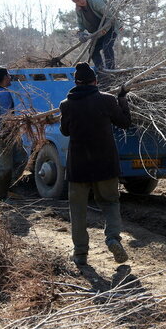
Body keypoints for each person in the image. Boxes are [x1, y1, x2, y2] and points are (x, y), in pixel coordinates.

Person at [59, 62, 131, 266]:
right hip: (105, 164)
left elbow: (65, 131)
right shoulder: (107, 100)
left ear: (76, 82)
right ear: (95, 81)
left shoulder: (66, 104)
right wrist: (122, 98)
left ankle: (80, 253)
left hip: (78, 166)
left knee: (78, 209)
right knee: (110, 203)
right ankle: (113, 239)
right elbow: (125, 122)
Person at [0, 67, 27, 205]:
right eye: (8, 75)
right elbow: (7, 117)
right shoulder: (4, 95)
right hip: (3, 134)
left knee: (21, 158)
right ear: (3, 78)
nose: (10, 78)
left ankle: (8, 189)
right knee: (5, 166)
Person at [68, 0, 120, 71]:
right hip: (97, 32)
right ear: (74, 2)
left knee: (107, 46)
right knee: (93, 51)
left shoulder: (96, 1)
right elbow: (80, 25)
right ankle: (101, 71)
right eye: (77, 0)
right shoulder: (79, 10)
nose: (81, 1)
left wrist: (104, 30)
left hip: (111, 27)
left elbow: (110, 17)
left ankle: (111, 71)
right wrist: (81, 34)